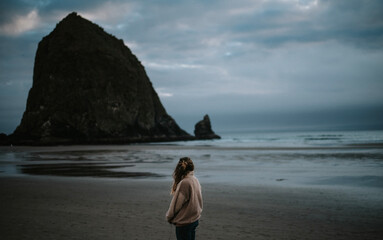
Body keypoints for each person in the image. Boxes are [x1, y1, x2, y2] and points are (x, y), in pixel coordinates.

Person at [166, 157, 203, 240]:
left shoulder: (185, 183)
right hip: (194, 220)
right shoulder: (195, 179)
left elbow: (176, 206)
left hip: (184, 222)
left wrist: (169, 217)